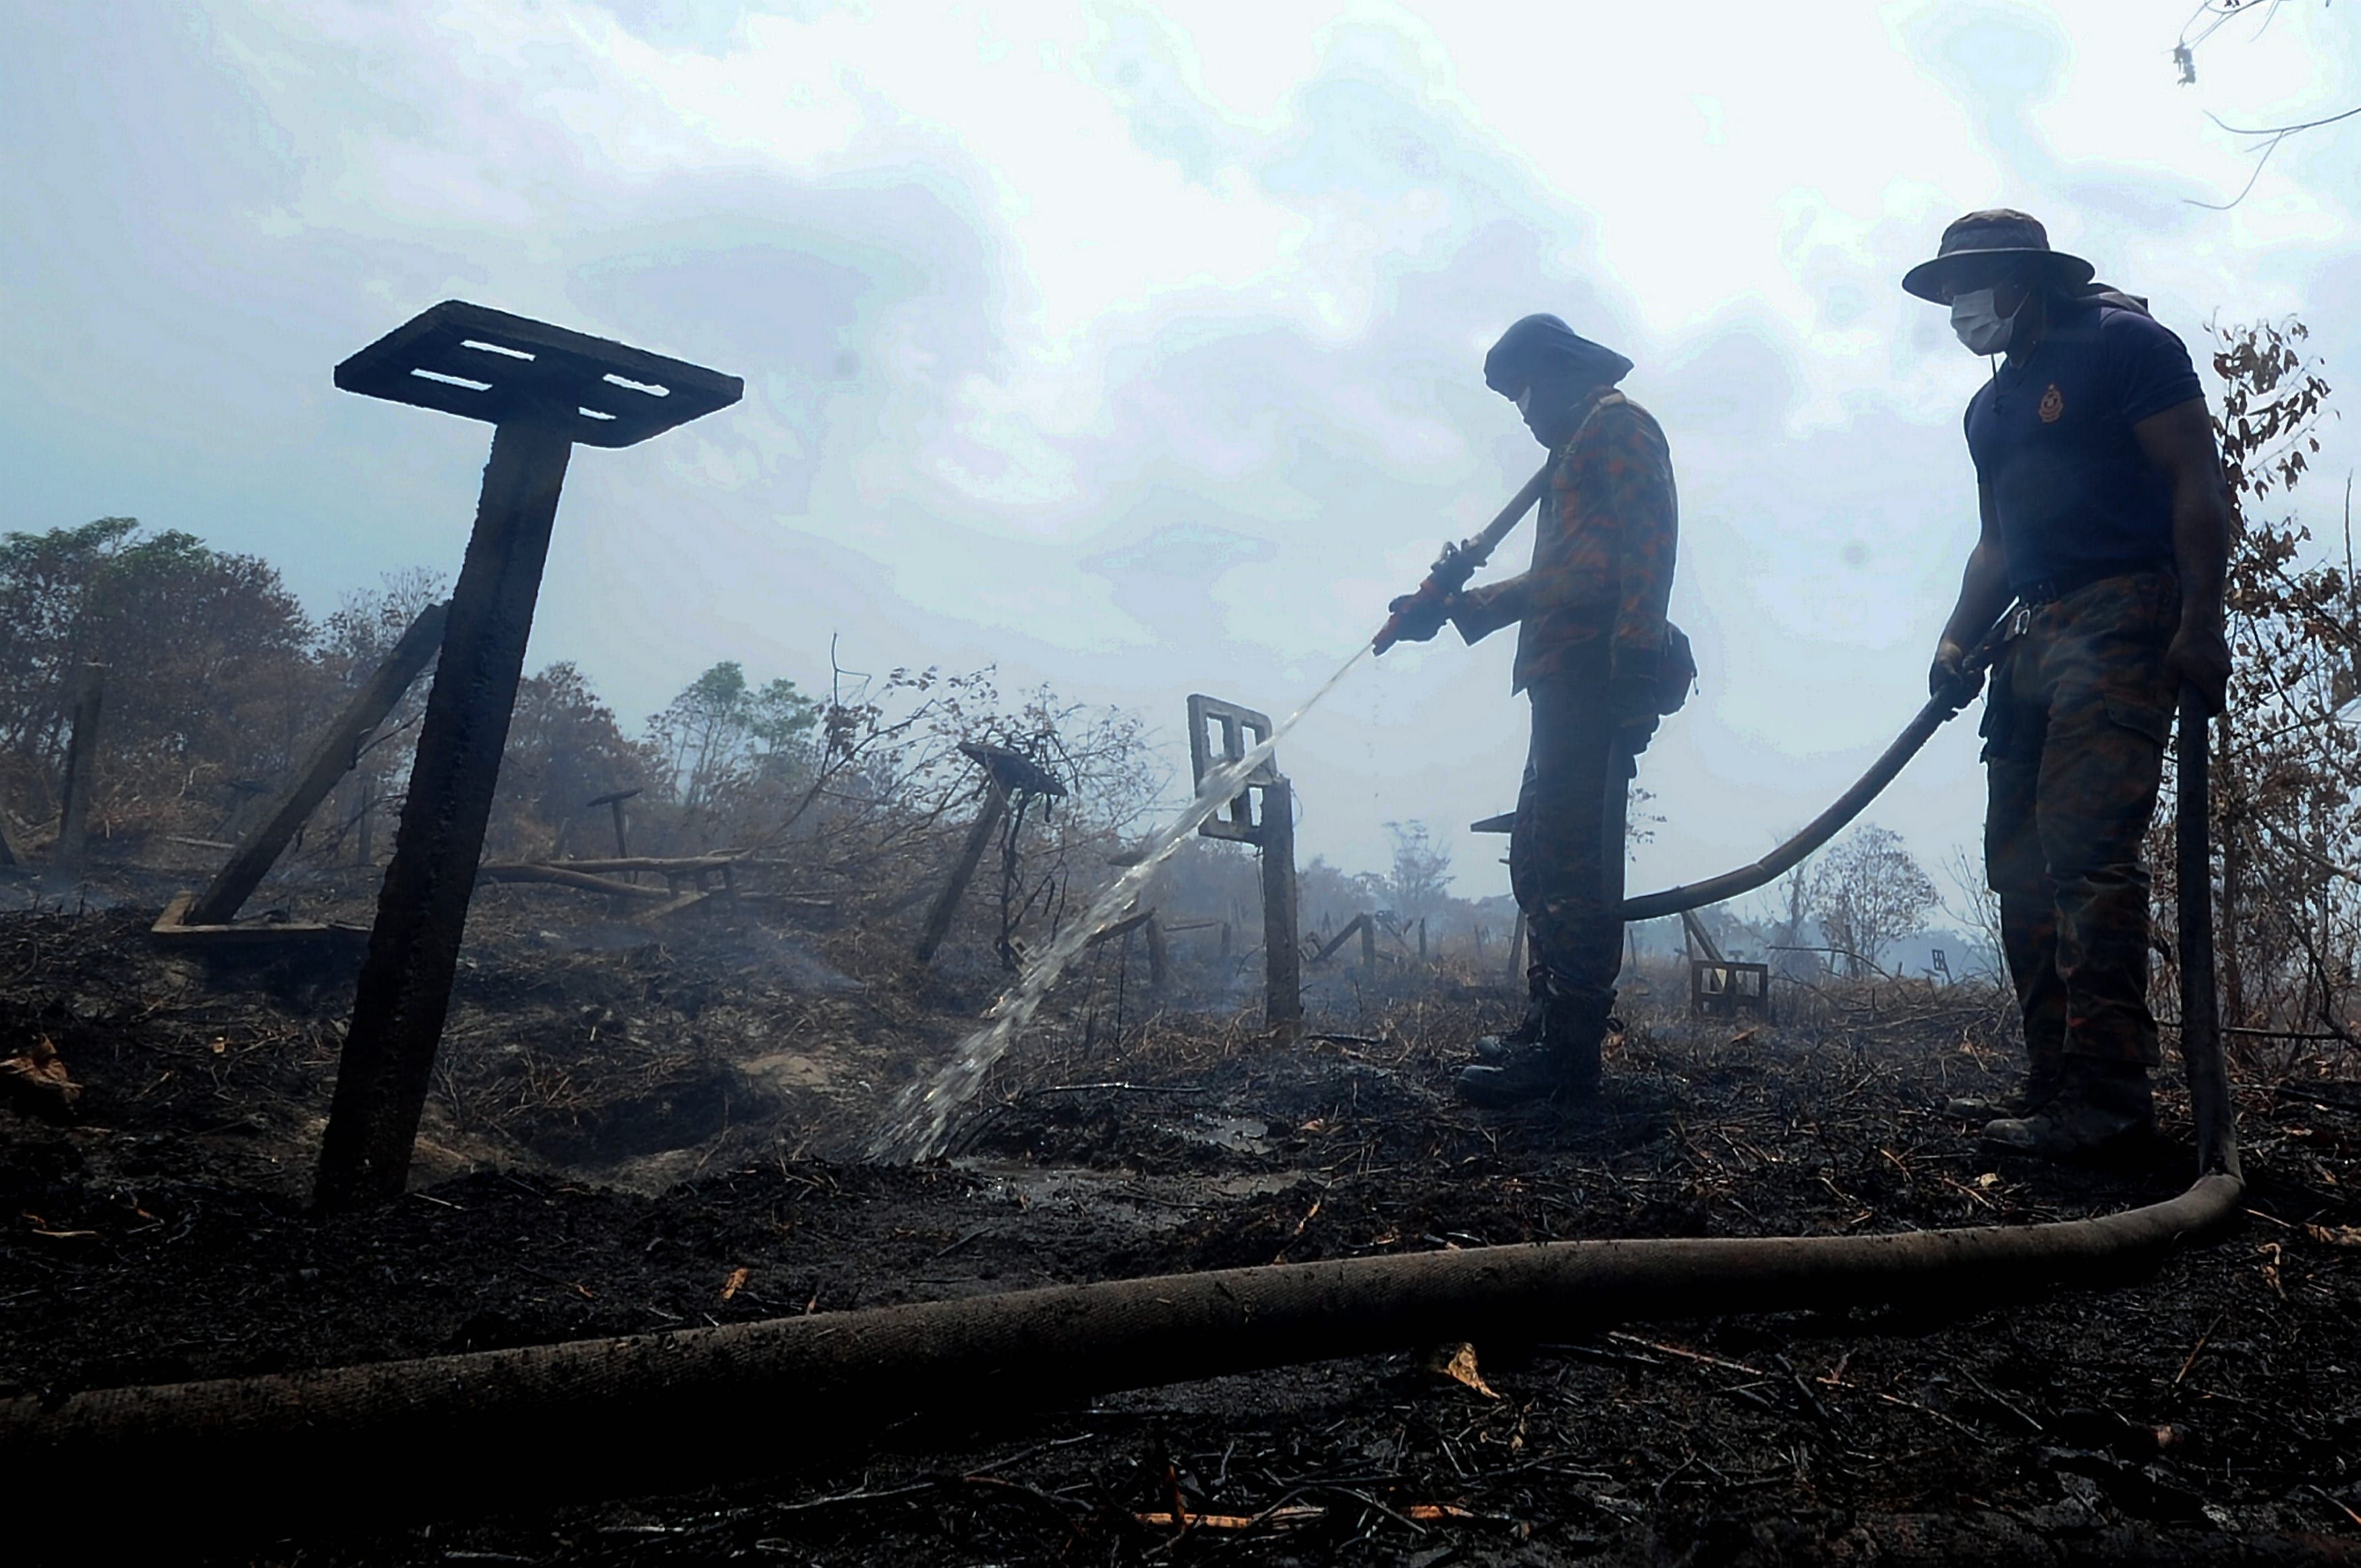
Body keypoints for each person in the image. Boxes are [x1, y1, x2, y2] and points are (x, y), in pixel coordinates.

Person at [1906, 210, 2232, 1159]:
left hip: (2125, 617)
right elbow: (1998, 545)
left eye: (1977, 283)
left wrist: (2200, 623)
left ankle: (2110, 1097)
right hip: (2031, 635)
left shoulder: (2125, 345)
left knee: (2087, 850)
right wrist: (1956, 637)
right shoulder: (1990, 409)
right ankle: (2051, 1080)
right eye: (1951, 291)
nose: (1963, 307)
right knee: (2017, 856)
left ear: (2029, 278)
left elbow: (2195, 484)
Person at [1388, 314, 1681, 1105]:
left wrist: (1630, 673)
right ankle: (1547, 1020)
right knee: (1540, 851)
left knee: (1575, 864)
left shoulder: (1617, 430)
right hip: (1561, 676)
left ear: (1560, 371)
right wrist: (1454, 605)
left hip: (1594, 675)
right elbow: (1568, 569)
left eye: (1522, 389)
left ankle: (1569, 1056)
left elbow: (1627, 564)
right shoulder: (1577, 444)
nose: (1520, 409)